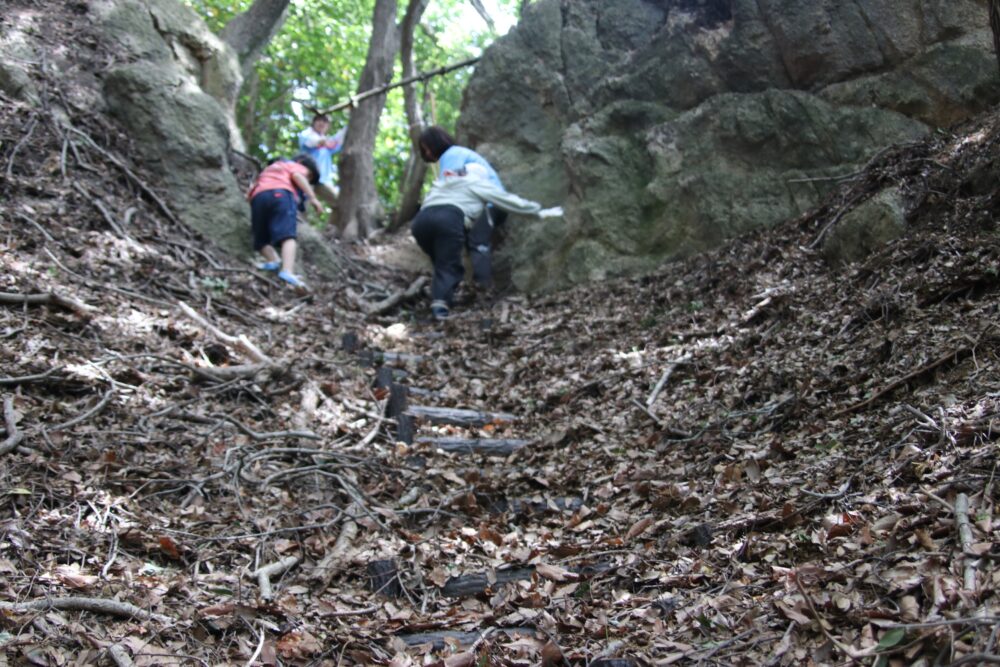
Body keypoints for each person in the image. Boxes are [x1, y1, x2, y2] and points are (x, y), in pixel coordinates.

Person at [410, 162, 562, 320]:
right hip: (449, 219)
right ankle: (440, 310)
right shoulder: (476, 182)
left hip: (420, 222)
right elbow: (506, 200)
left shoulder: (446, 182)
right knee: (450, 267)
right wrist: (537, 212)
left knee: (441, 263)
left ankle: (440, 298)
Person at [417, 126, 507, 292]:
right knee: (464, 237)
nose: (426, 153)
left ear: (434, 143)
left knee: (477, 240)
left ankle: (484, 287)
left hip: (492, 204)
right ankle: (474, 284)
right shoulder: (456, 154)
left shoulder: (452, 155)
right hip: (487, 203)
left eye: (426, 148)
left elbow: (450, 187)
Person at [247, 154, 324, 291]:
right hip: (281, 194)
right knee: (288, 235)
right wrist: (313, 198)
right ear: (302, 164)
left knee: (260, 237)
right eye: (309, 177)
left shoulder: (272, 168)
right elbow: (298, 176)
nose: (307, 180)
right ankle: (287, 270)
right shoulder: (296, 166)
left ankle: (272, 260)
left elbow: (252, 188)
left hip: (258, 197)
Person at [298, 113, 346, 234]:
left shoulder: (328, 145)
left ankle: (329, 231)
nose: (322, 123)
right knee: (302, 205)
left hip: (323, 180)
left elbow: (339, 139)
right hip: (306, 177)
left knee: (340, 202)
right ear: (313, 123)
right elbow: (313, 142)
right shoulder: (306, 135)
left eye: (325, 122)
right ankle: (301, 232)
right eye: (319, 120)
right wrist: (324, 141)